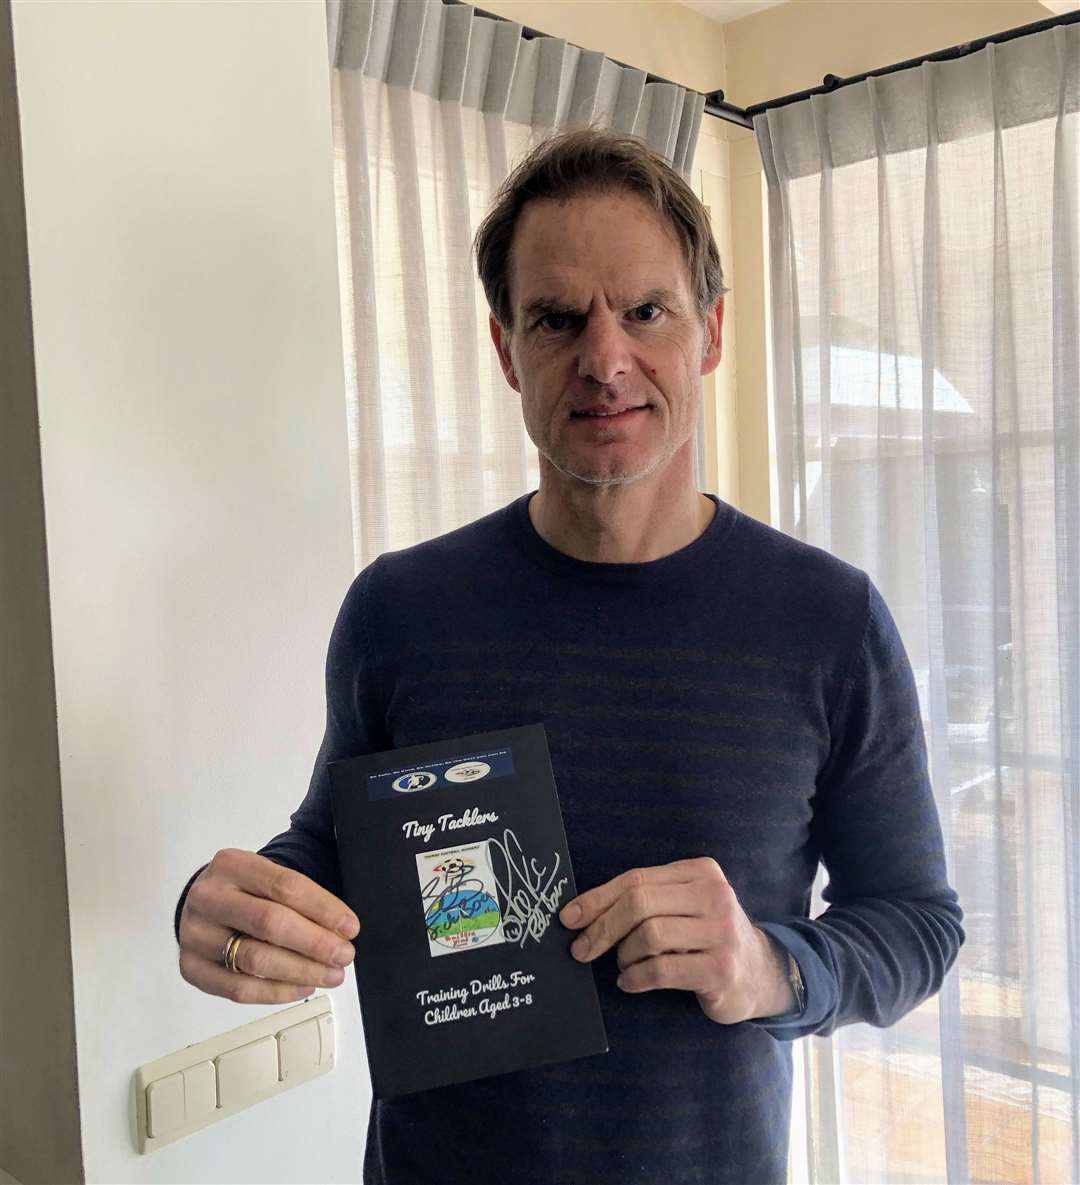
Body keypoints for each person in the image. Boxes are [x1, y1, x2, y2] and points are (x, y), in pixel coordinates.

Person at [176, 126, 964, 1184]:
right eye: (557, 319)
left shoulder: (828, 620)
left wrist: (770, 965)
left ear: (711, 333)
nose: (604, 359)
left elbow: (918, 922)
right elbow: (340, 845)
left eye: (646, 311)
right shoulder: (401, 609)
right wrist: (240, 908)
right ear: (507, 349)